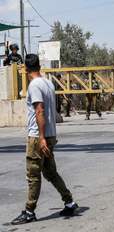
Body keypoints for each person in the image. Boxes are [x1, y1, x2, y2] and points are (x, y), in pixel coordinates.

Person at [11, 54, 78, 225]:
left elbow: (39, 110)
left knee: (33, 175)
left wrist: (40, 138)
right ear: (39, 66)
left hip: (37, 137)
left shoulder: (34, 85)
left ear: (25, 69)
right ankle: (69, 201)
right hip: (50, 134)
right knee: (50, 172)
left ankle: (29, 211)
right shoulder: (48, 82)